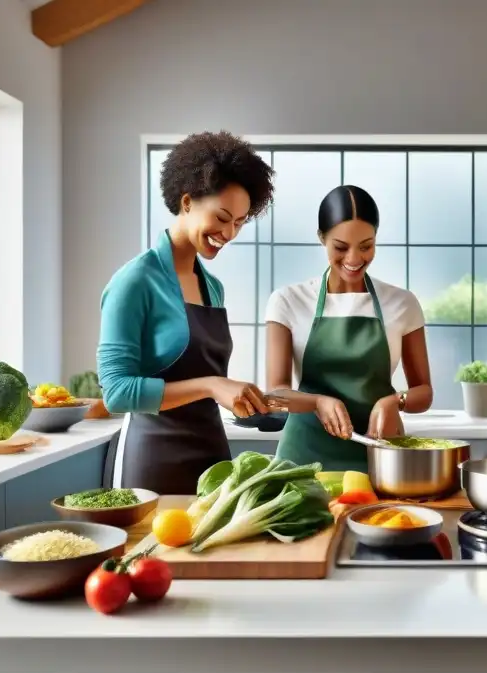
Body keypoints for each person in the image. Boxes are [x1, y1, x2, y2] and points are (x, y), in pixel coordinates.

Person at [97, 131, 275, 494]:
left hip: (214, 458)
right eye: (222, 217)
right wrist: (212, 385)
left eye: (239, 223)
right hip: (154, 462)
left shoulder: (212, 286)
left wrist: (236, 395)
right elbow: (116, 392)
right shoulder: (134, 282)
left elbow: (205, 377)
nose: (228, 233)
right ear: (188, 201)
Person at [264, 185, 434, 472]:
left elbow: (424, 392)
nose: (354, 259)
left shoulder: (402, 303)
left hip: (380, 456)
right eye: (340, 247)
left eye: (366, 246)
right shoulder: (288, 301)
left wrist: (394, 401)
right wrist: (317, 401)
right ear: (322, 239)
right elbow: (275, 397)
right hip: (304, 458)